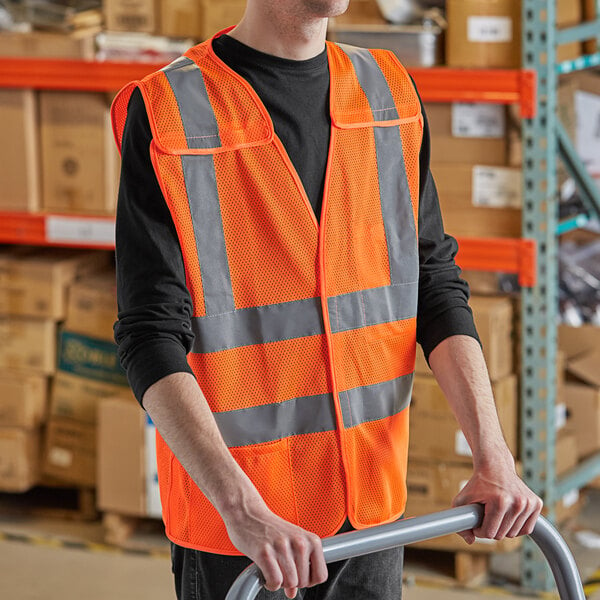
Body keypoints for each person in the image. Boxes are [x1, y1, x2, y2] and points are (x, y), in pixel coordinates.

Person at [111, 1, 543, 598]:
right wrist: (243, 510)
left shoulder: (387, 93)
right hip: (244, 536)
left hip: (369, 517)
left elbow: (435, 286)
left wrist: (493, 456)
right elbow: (148, 334)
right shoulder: (169, 112)